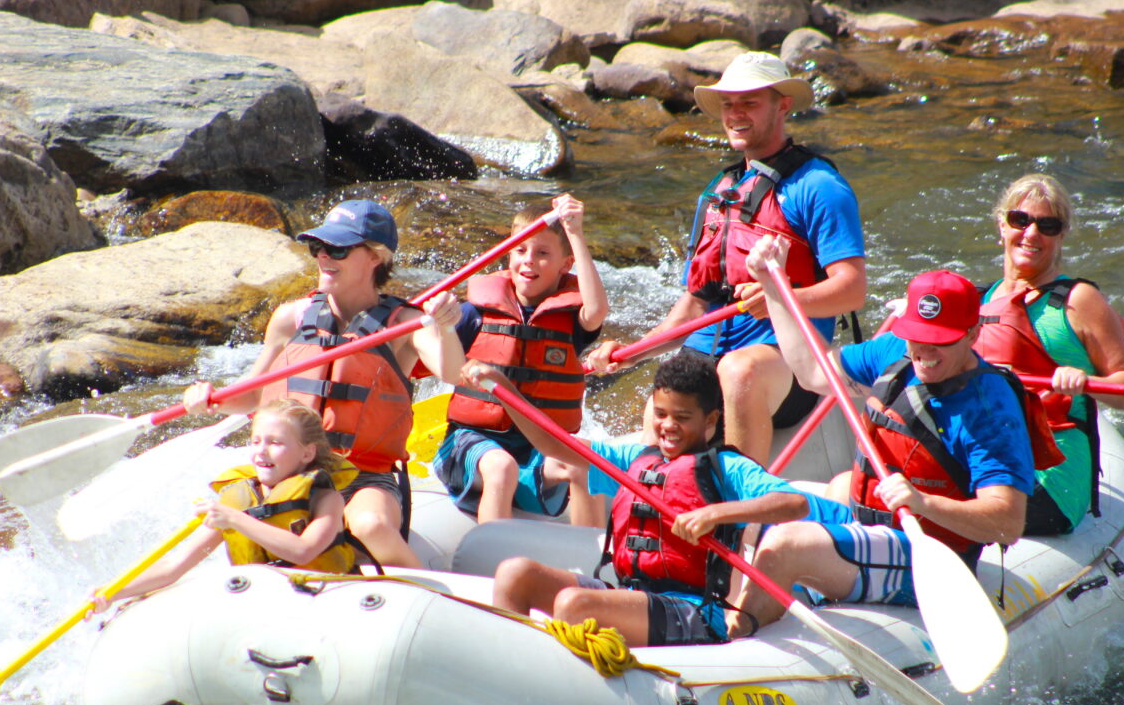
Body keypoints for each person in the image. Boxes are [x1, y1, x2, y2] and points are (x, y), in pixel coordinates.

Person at [745, 238, 1047, 623]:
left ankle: (736, 637)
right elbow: (812, 371)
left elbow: (1006, 524)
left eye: (940, 341)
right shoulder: (894, 351)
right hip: (872, 528)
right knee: (744, 513)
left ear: (972, 335)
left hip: (929, 559)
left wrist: (923, 503)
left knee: (785, 546)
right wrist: (774, 287)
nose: (923, 351)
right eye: (917, 336)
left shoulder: (990, 411)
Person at [587, 51, 867, 466]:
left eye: (750, 102)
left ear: (782, 105)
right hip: (709, 354)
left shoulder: (820, 186)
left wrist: (780, 297)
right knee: (663, 394)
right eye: (729, 104)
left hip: (785, 365)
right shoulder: (718, 192)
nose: (735, 114)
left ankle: (740, 515)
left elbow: (853, 290)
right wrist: (632, 353)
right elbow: (696, 303)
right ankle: (660, 506)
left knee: (739, 372)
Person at [483, 349, 852, 646]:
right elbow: (555, 443)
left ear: (710, 422)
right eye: (660, 414)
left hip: (693, 610)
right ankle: (508, 672)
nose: (668, 425)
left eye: (682, 416)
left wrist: (716, 513)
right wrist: (504, 390)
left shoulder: (727, 468)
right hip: (629, 594)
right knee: (515, 574)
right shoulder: (635, 460)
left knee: (573, 604)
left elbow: (793, 504)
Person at [183, 199, 463, 569]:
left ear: (376, 257)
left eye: (339, 249)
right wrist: (210, 399)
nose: (324, 257)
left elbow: (451, 371)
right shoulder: (290, 318)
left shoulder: (406, 323)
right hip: (294, 468)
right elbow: (253, 394)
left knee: (371, 524)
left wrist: (444, 327)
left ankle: (430, 595)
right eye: (319, 248)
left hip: (365, 475)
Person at [975, 173, 1124, 534]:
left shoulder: (1079, 301)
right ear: (1001, 225)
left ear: (1061, 235)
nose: (1031, 234)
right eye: (1020, 220)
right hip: (991, 461)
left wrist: (1088, 383)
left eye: (1047, 225)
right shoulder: (981, 300)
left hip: (1052, 479)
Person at [436, 194, 608, 526]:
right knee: (501, 468)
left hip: (536, 447)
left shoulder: (571, 318)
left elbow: (597, 310)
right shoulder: (474, 314)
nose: (529, 261)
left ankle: (592, 564)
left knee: (586, 466)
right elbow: (434, 362)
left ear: (565, 264)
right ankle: (492, 558)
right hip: (473, 443)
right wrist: (439, 325)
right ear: (507, 256)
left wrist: (575, 232)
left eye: (543, 253)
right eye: (520, 251)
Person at [92, 400, 358, 611]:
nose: (261, 451)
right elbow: (176, 566)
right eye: (256, 441)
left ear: (307, 453)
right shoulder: (236, 500)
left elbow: (303, 551)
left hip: (321, 601)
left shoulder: (326, 499)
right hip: (264, 602)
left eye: (275, 443)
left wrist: (234, 518)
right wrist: (113, 592)